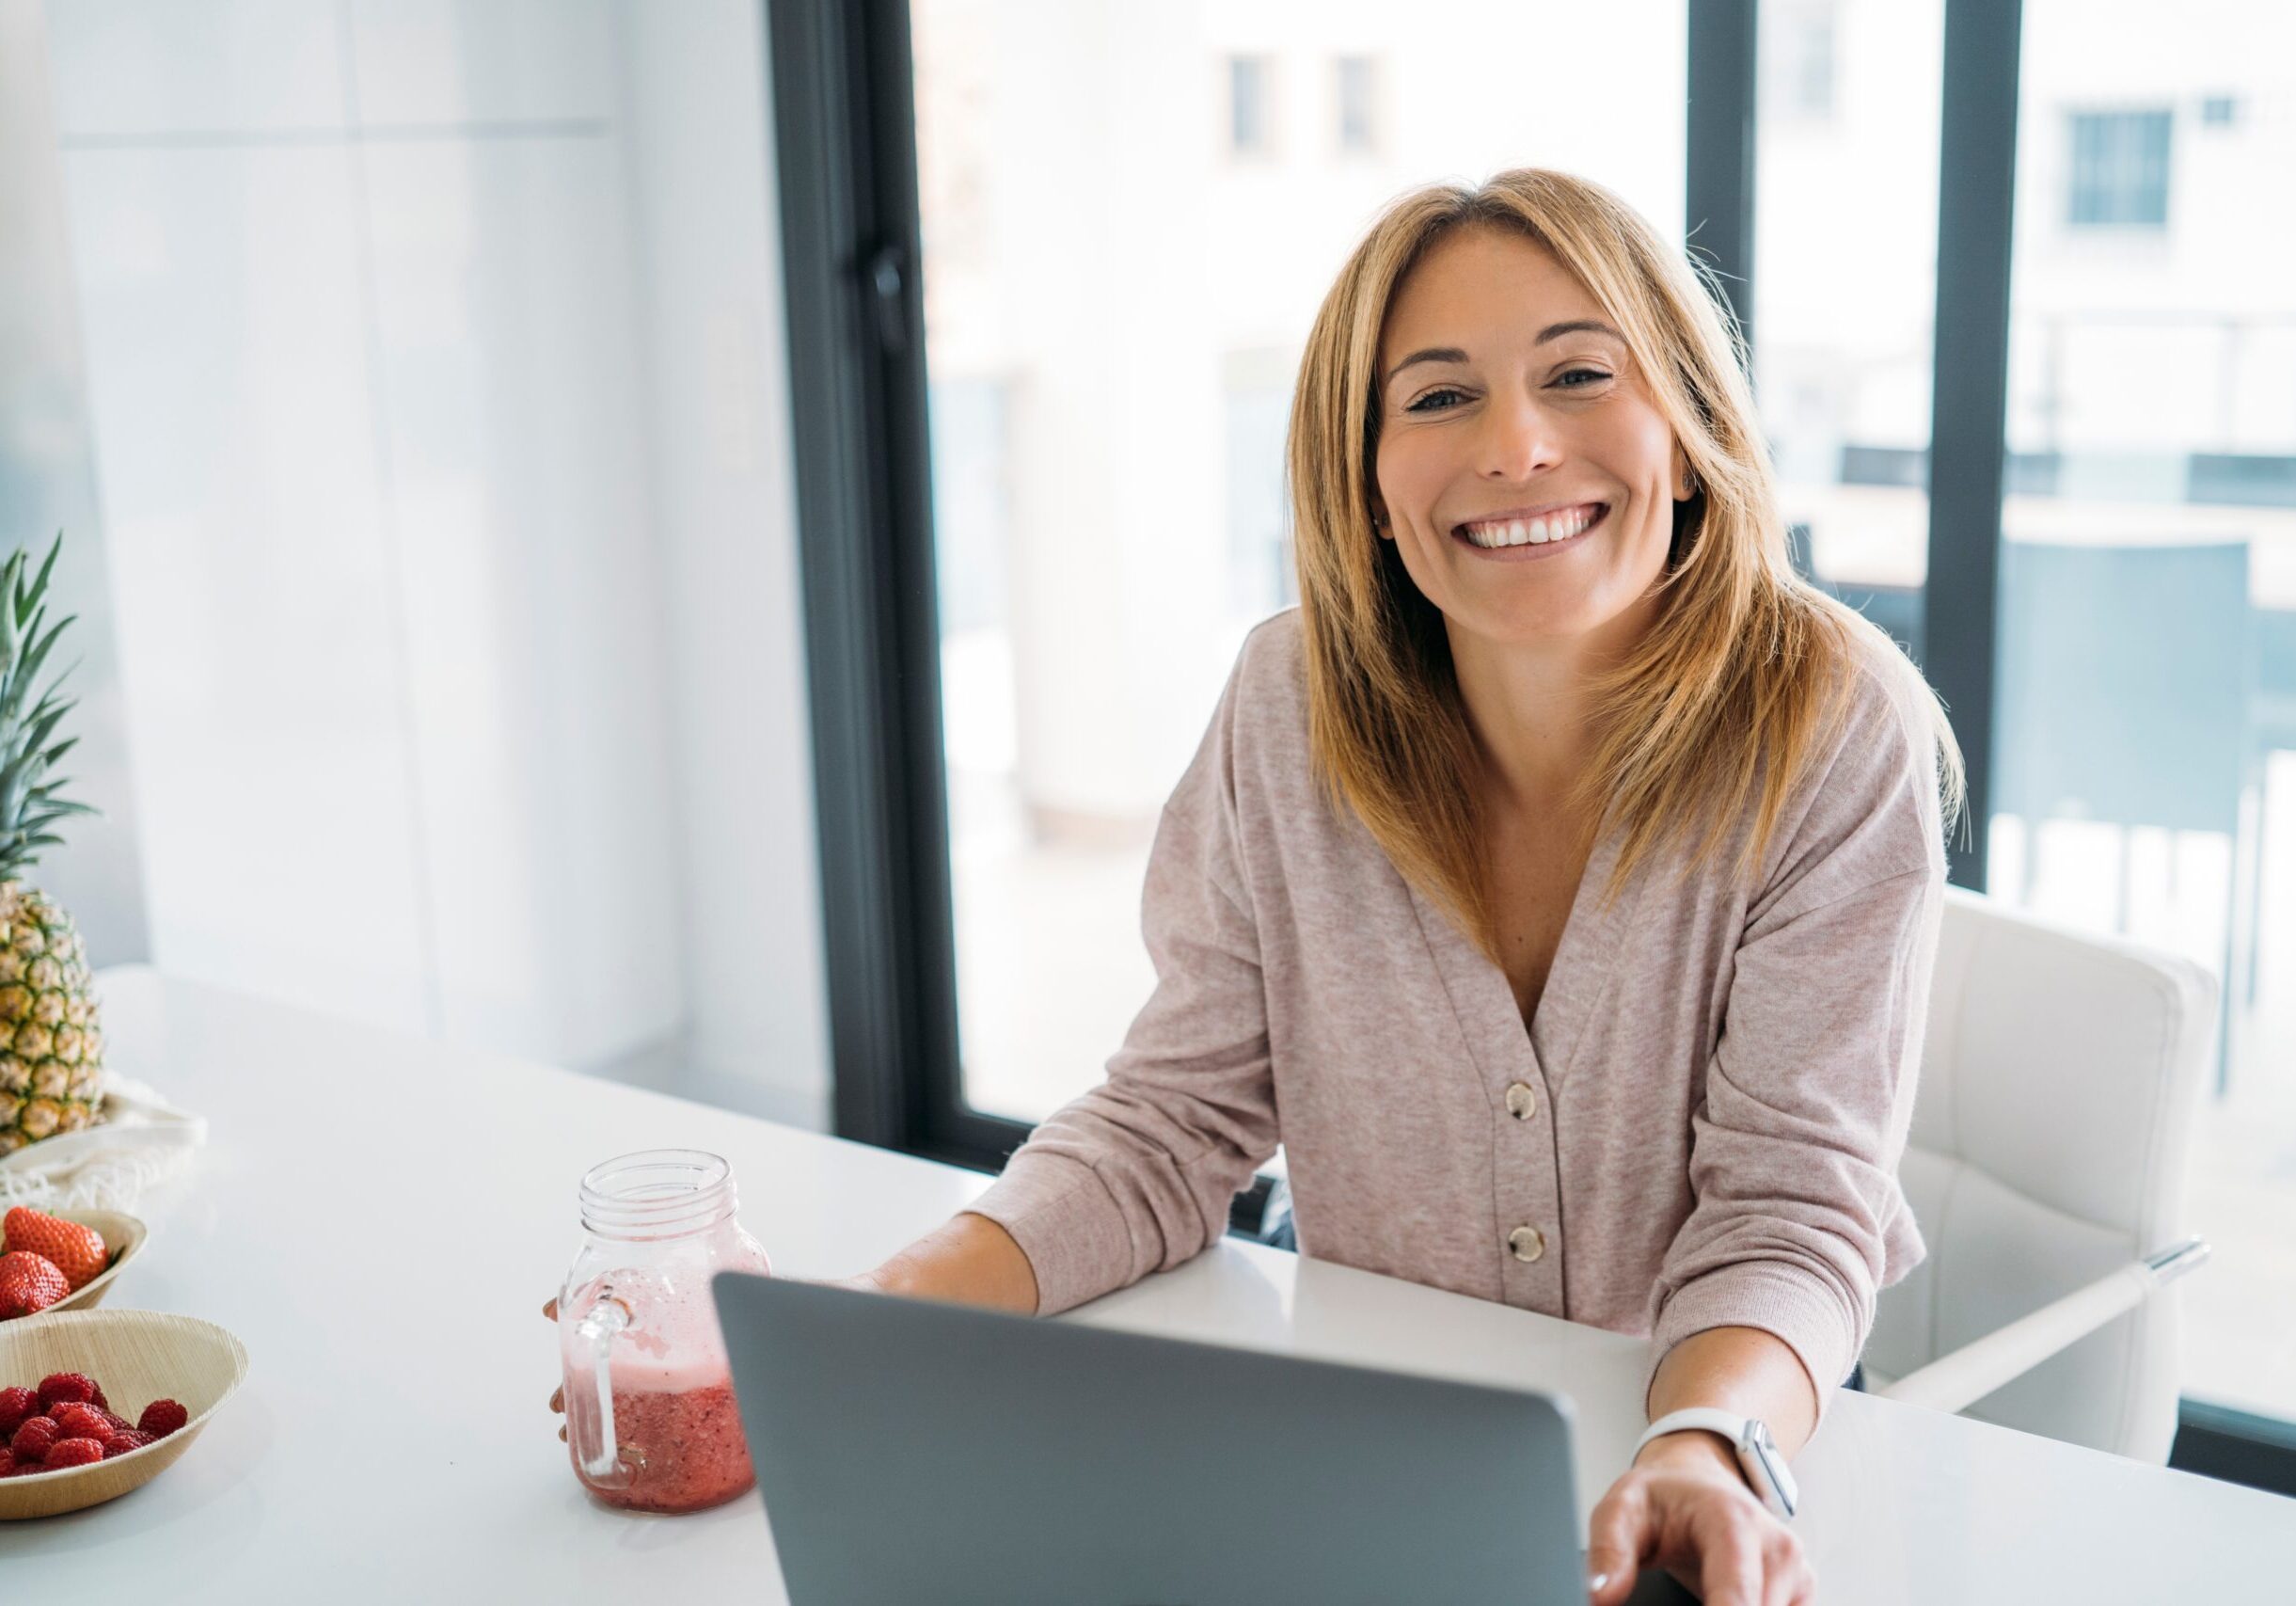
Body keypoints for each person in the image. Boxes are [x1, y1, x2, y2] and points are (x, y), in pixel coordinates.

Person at [562, 167, 1963, 1605]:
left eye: (1578, 373)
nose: (1520, 444)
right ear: (1364, 490)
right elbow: (1172, 1123)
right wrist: (867, 1327)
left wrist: (1704, 1450)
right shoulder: (1284, 706)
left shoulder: (1831, 722)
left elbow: (1789, 1207)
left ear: (1686, 433)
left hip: (1724, 1460)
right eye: (1435, 399)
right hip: (1366, 1452)